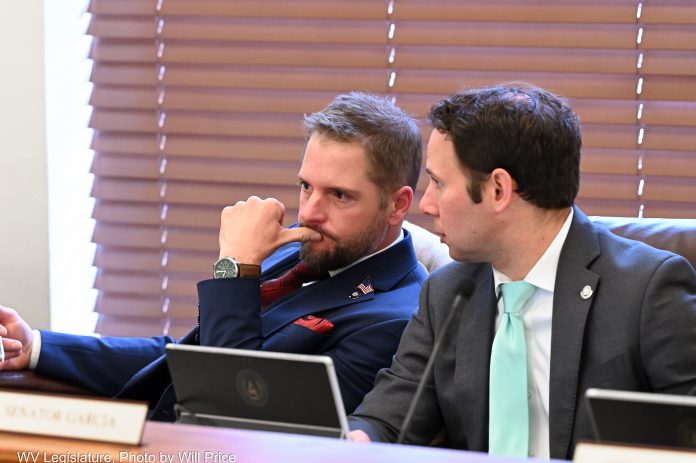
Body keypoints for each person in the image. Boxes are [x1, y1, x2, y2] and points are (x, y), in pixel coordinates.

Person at [0, 92, 427, 419]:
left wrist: (236, 268)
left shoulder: (398, 320)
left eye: (340, 195)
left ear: (397, 205)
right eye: (306, 186)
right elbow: (188, 360)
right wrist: (37, 347)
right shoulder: (315, 254)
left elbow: (234, 408)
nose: (311, 212)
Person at [348, 83, 696, 459]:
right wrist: (350, 440)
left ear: (498, 189)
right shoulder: (447, 294)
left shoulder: (647, 290)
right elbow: (387, 422)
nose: (427, 204)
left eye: (438, 183)